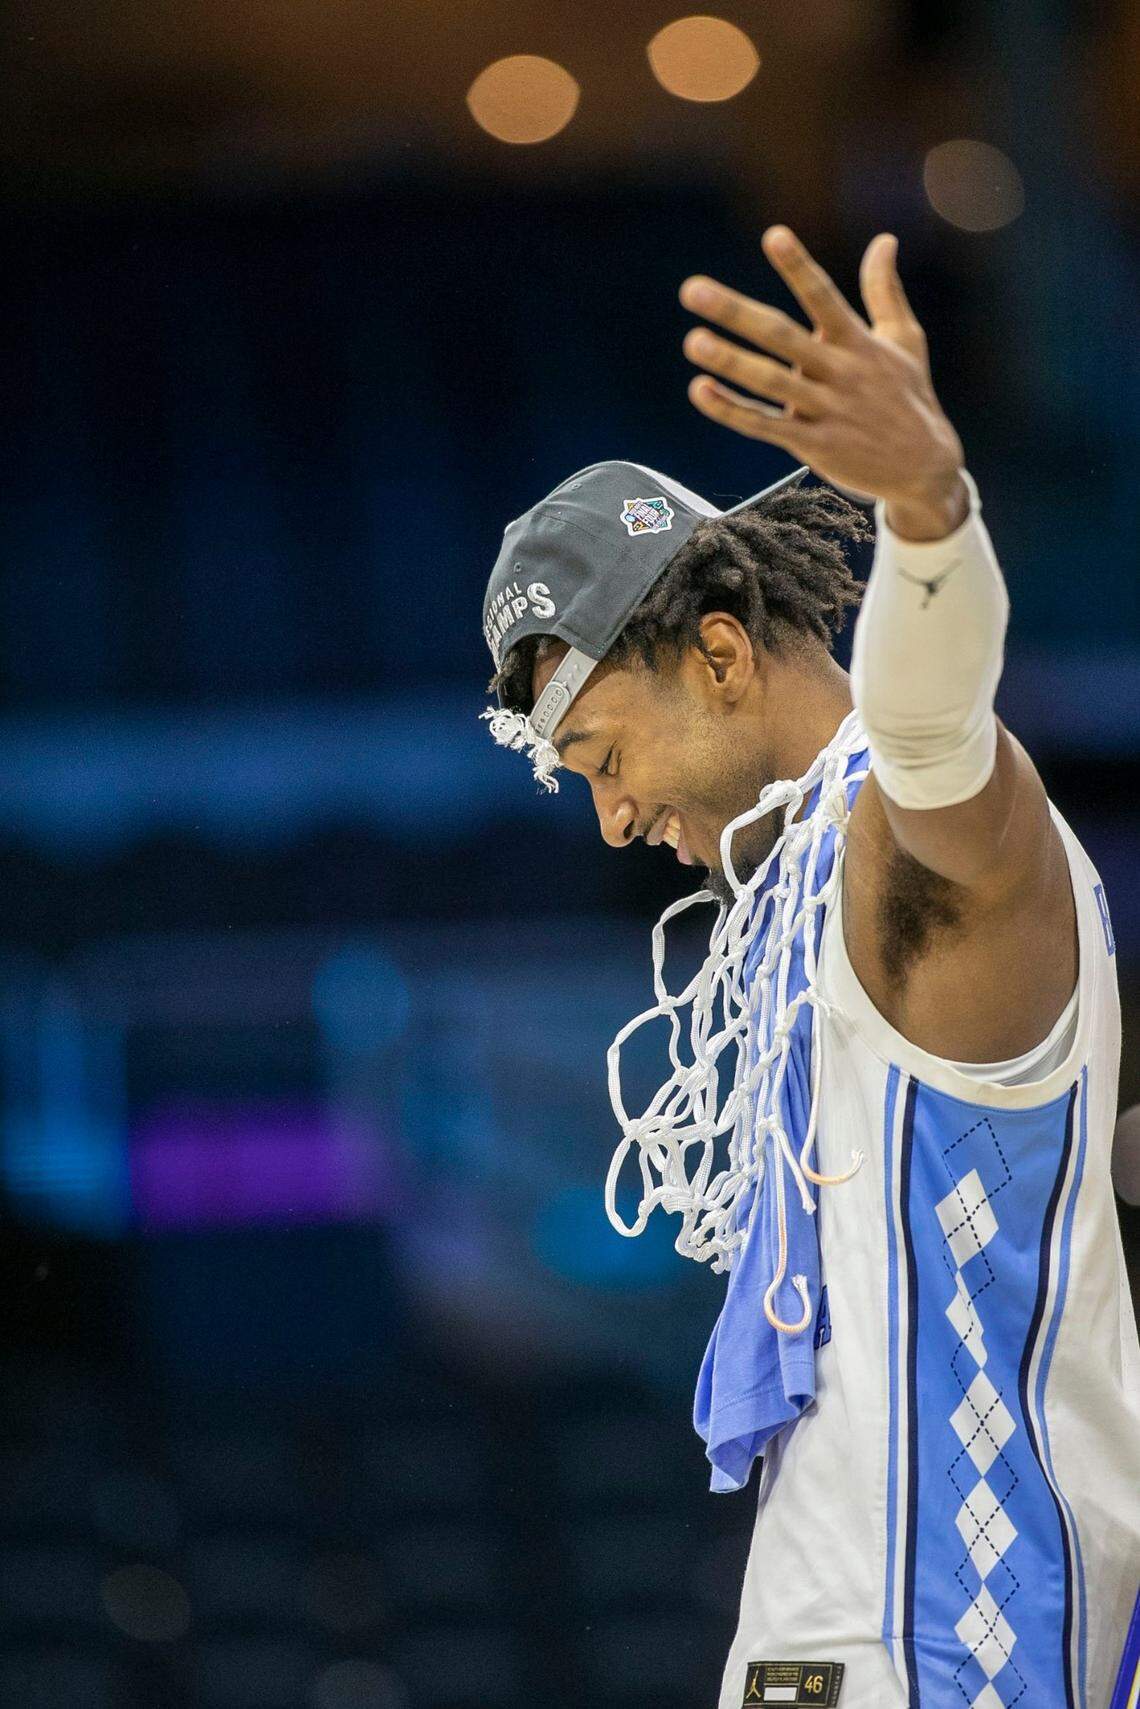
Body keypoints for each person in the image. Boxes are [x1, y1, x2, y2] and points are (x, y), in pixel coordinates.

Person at [479, 225, 1140, 1707]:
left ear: (720, 655)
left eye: (600, 753)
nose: (610, 813)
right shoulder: (795, 895)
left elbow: (929, 731)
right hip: (833, 1635)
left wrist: (927, 515)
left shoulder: (912, 850)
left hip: (952, 1647)